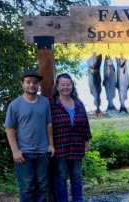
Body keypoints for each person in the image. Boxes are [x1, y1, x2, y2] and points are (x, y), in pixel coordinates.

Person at [4, 69, 55, 202]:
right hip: (24, 154)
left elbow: (48, 123)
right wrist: (15, 151)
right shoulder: (15, 105)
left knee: (43, 187)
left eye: (35, 82)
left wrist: (51, 144)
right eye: (28, 82)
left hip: (43, 152)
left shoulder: (44, 102)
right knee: (26, 188)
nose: (31, 85)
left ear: (38, 85)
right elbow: (9, 128)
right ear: (22, 83)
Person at [50, 73, 92, 202]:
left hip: (77, 146)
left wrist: (87, 141)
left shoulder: (79, 103)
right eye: (62, 84)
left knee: (76, 176)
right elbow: (47, 125)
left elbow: (85, 123)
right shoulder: (52, 104)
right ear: (57, 87)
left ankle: (78, 200)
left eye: (68, 84)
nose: (65, 87)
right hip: (60, 146)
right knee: (61, 177)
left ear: (72, 86)